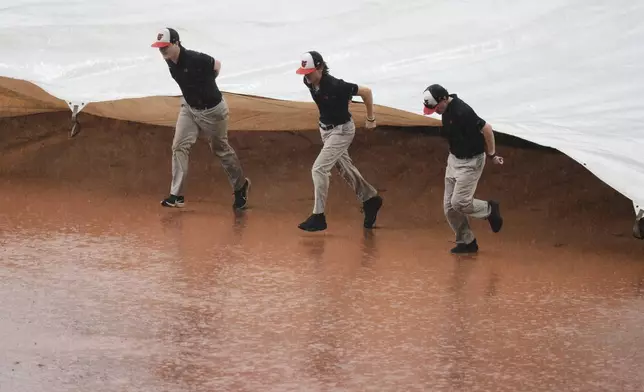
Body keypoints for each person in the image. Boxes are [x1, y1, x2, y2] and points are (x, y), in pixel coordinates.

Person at [151, 27, 250, 209]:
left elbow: (217, 65)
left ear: (176, 43)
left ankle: (240, 187)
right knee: (179, 146)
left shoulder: (195, 58)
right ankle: (177, 195)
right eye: (159, 47)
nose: (162, 50)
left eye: (165, 46)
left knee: (220, 150)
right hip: (189, 108)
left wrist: (207, 83)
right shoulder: (169, 60)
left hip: (213, 111)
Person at [295, 50, 383, 232]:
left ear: (319, 67)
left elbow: (366, 92)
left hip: (342, 131)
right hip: (325, 130)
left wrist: (371, 118)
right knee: (345, 169)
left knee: (319, 169)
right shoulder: (308, 82)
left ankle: (318, 216)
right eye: (305, 73)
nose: (307, 77)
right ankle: (370, 199)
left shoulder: (336, 85)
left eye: (309, 72)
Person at [422, 84, 504, 254]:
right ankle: (467, 242)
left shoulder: (463, 111)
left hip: (471, 162)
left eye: (437, 107)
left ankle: (489, 209)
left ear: (444, 99)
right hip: (454, 160)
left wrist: (492, 154)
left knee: (459, 202)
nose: (436, 111)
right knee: (449, 208)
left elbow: (487, 129)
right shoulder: (446, 109)